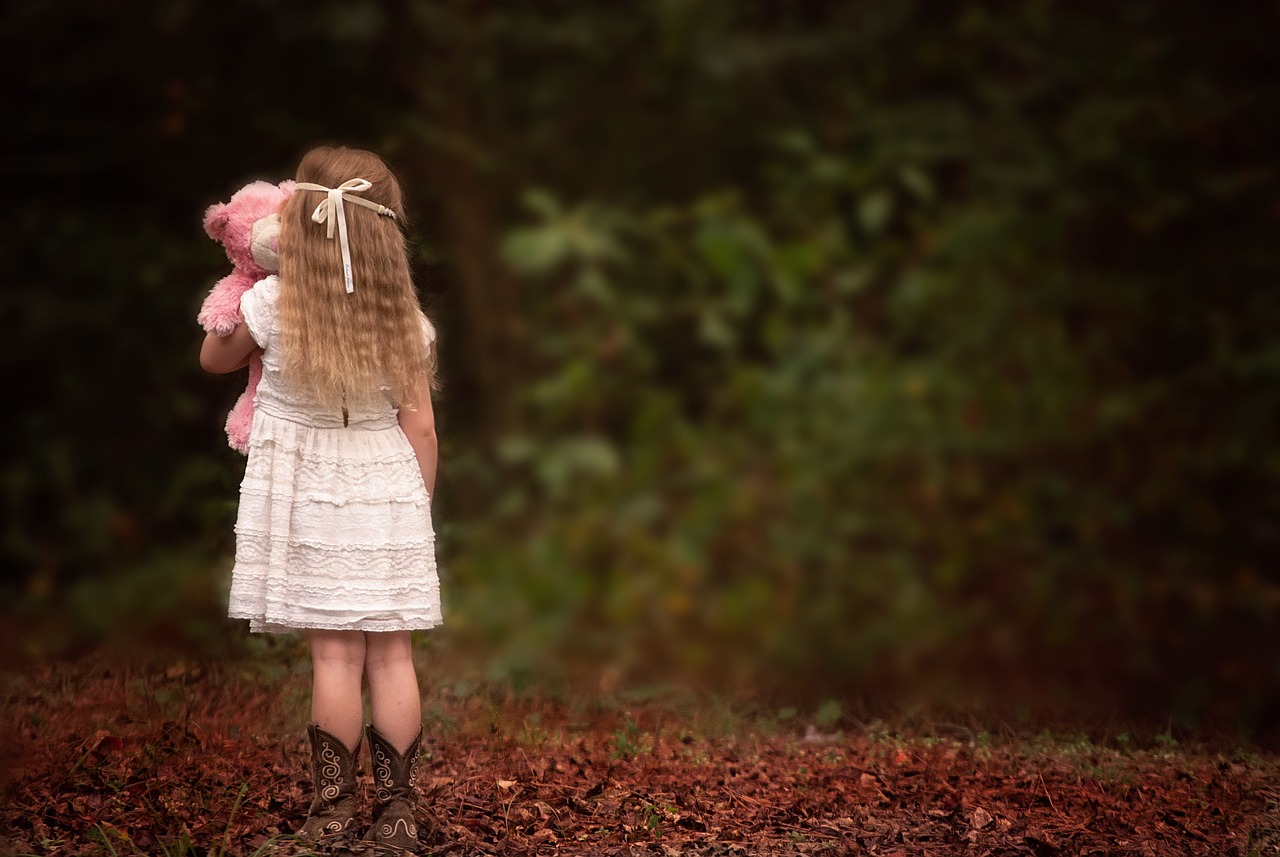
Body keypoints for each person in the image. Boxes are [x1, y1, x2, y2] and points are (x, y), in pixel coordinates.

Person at [200, 145, 441, 851]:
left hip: (308, 488)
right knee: (391, 653)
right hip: (387, 482)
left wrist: (247, 277)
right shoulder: (403, 319)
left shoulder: (272, 303)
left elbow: (214, 358)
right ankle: (398, 811)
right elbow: (420, 422)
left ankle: (333, 811)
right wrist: (413, 506)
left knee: (335, 656)